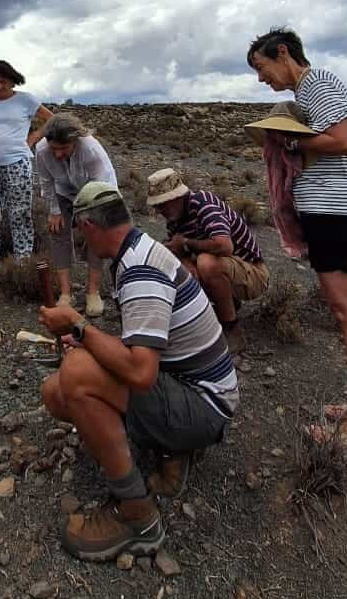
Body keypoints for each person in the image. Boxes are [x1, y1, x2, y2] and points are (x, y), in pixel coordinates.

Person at [40, 182, 239, 562]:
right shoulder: (139, 250)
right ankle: (171, 447)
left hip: (204, 405)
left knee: (78, 373)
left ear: (90, 226)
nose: (80, 240)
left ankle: (136, 515)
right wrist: (87, 340)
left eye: (79, 231)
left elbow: (141, 372)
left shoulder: (140, 270)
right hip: (193, 389)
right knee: (57, 391)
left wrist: (79, 326)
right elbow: (142, 344)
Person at [248, 26, 347, 455]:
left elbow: (345, 141)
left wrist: (289, 138)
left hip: (340, 213)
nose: (262, 79)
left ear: (282, 53)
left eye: (262, 68)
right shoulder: (312, 90)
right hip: (336, 212)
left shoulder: (318, 83)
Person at [146, 167, 268, 354]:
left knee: (207, 263)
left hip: (253, 273)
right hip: (233, 270)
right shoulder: (175, 216)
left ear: (176, 197)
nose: (159, 210)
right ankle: (212, 313)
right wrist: (183, 262)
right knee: (179, 267)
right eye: (157, 205)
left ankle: (231, 329)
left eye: (162, 204)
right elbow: (182, 252)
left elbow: (225, 246)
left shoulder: (204, 204)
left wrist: (185, 243)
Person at [0, 60, 52, 296]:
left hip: (17, 162)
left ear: (12, 79)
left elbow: (51, 119)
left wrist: (32, 139)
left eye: (3, 81)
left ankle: (22, 262)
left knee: (20, 213)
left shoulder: (26, 99)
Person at [36, 112, 117, 317]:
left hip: (96, 190)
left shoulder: (90, 150)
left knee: (95, 233)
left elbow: (101, 185)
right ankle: (65, 293)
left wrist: (91, 216)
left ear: (75, 141)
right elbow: (46, 182)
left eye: (63, 148)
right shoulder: (42, 150)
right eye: (54, 148)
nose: (57, 154)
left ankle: (93, 292)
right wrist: (54, 211)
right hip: (64, 191)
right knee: (58, 230)